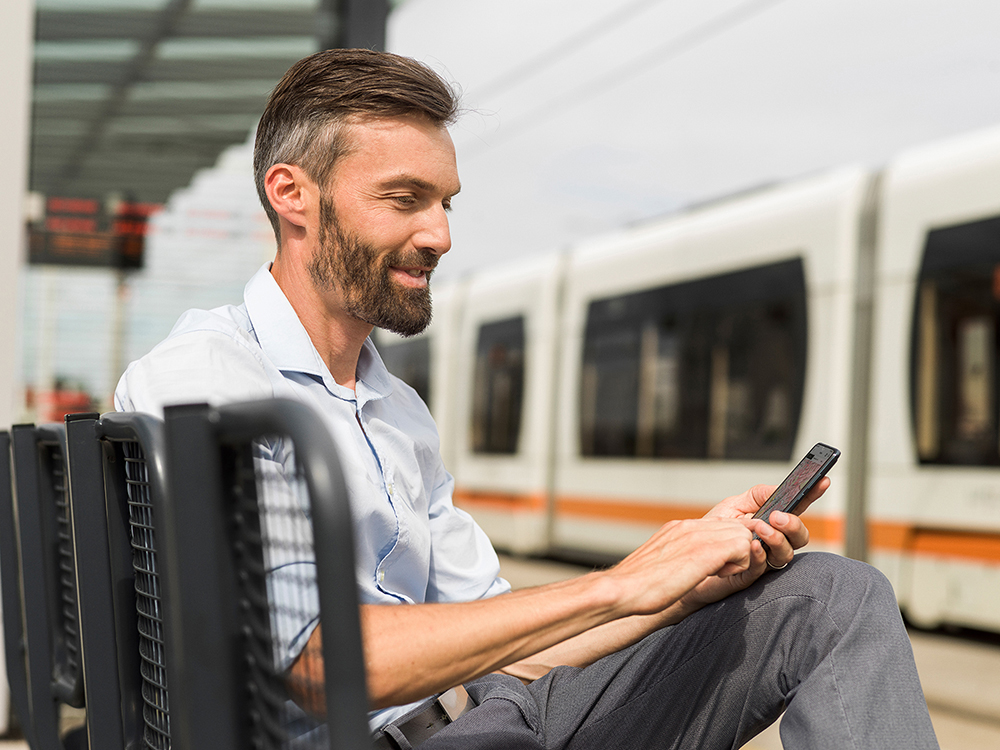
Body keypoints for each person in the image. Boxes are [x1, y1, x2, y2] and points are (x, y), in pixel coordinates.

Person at [116, 48, 939, 749]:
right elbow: (313, 663)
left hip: (486, 716)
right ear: (292, 194)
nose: (440, 234)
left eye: (446, 204)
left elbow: (511, 637)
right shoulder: (209, 382)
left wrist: (685, 576)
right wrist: (617, 586)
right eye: (404, 199)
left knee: (829, 594)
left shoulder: (394, 407)